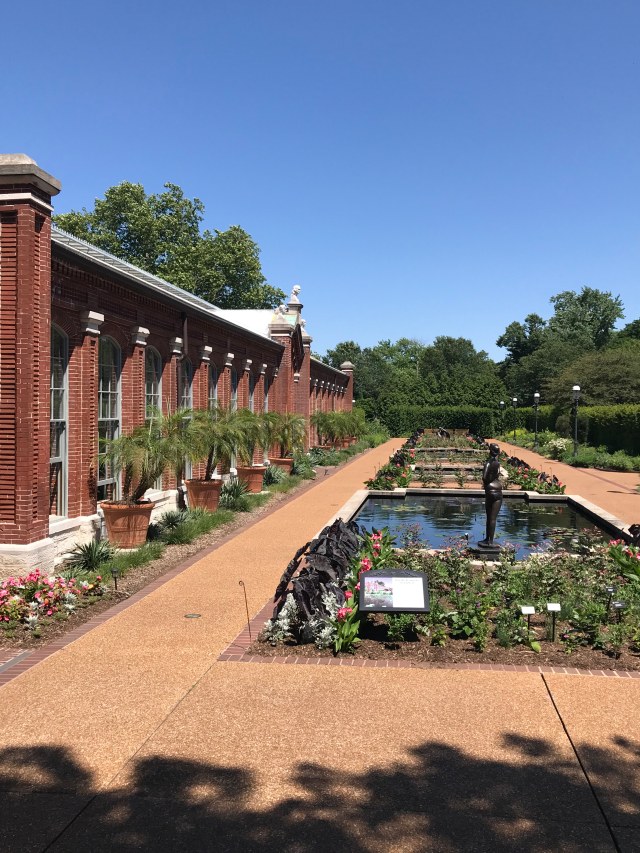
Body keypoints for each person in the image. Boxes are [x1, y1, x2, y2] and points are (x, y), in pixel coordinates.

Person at [478, 443, 503, 547]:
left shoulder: (488, 463)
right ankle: (490, 540)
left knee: (489, 517)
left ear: (490, 451)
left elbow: (484, 477)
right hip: (498, 490)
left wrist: (487, 483)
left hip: (490, 490)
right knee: (493, 517)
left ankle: (488, 540)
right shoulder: (497, 463)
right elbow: (497, 474)